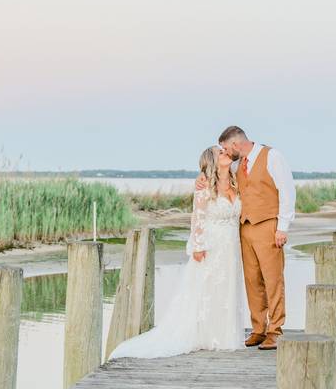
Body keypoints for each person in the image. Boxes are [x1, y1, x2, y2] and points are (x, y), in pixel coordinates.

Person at [109, 146, 247, 359]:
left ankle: (225, 334)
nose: (226, 153)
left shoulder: (236, 179)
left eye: (225, 151)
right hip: (212, 244)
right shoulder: (204, 186)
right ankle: (206, 335)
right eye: (220, 153)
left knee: (228, 287)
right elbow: (198, 218)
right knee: (207, 288)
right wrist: (198, 245)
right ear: (211, 162)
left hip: (231, 246)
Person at [199, 126, 295, 351]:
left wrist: (283, 227)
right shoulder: (235, 164)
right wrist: (200, 180)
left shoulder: (272, 156)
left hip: (269, 225)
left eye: (224, 148)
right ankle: (258, 329)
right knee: (252, 281)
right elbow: (214, 174)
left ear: (234, 144)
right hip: (244, 228)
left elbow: (287, 192)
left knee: (273, 280)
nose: (224, 152)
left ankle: (276, 330)